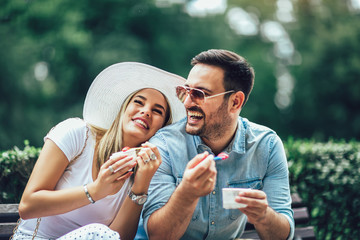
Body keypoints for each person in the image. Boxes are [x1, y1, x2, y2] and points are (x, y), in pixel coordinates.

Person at [13, 62, 186, 240]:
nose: (145, 111)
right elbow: (27, 206)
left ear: (162, 128)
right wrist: (95, 190)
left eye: (157, 111)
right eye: (138, 102)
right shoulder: (78, 135)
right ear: (123, 108)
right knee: (98, 232)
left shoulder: (142, 171)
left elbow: (119, 237)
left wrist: (140, 187)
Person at [142, 49, 295, 240]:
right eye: (185, 91)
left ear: (235, 102)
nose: (188, 103)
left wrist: (264, 216)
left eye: (199, 93)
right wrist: (187, 193)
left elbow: (283, 235)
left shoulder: (267, 146)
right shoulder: (163, 145)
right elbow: (157, 236)